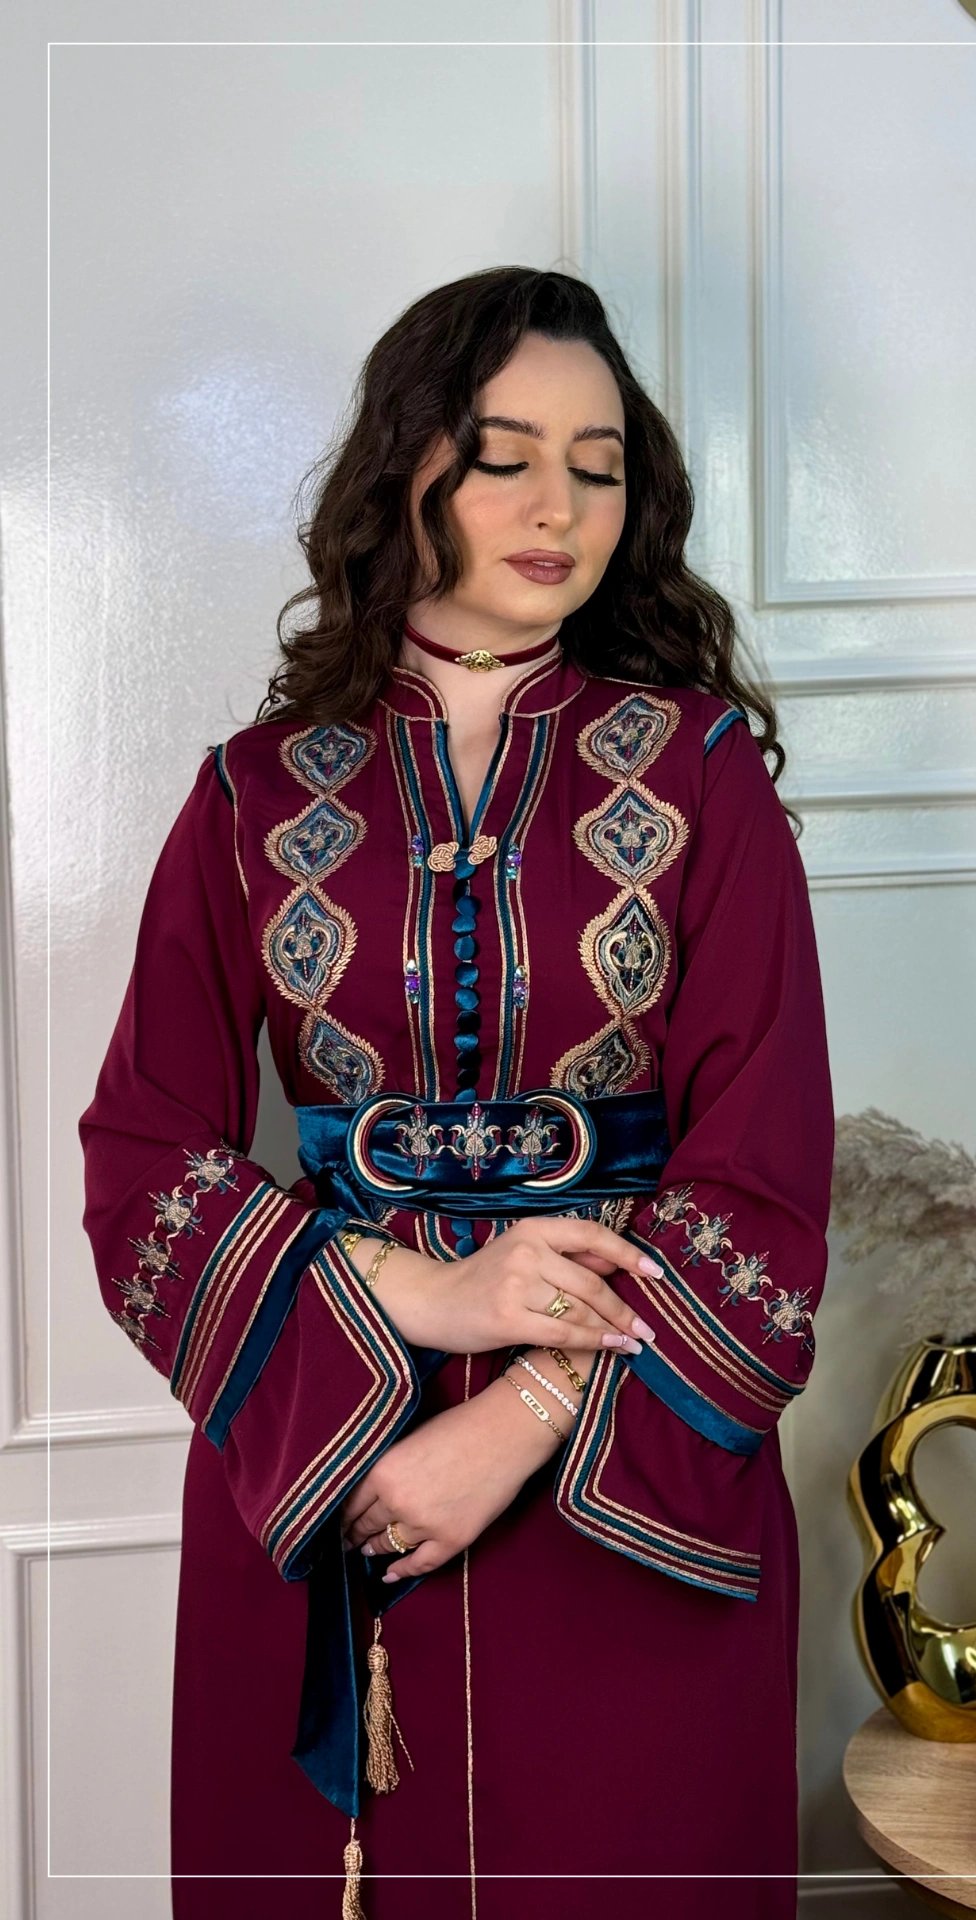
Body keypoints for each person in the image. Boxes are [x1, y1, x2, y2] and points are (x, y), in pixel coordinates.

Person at [80, 266, 833, 1920]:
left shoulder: (701, 774)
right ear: (409, 464)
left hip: (634, 1467)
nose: (560, 506)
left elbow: (763, 1181)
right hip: (327, 1449)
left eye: (600, 465)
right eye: (506, 456)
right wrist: (419, 1296)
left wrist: (522, 1418)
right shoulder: (254, 793)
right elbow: (141, 1162)